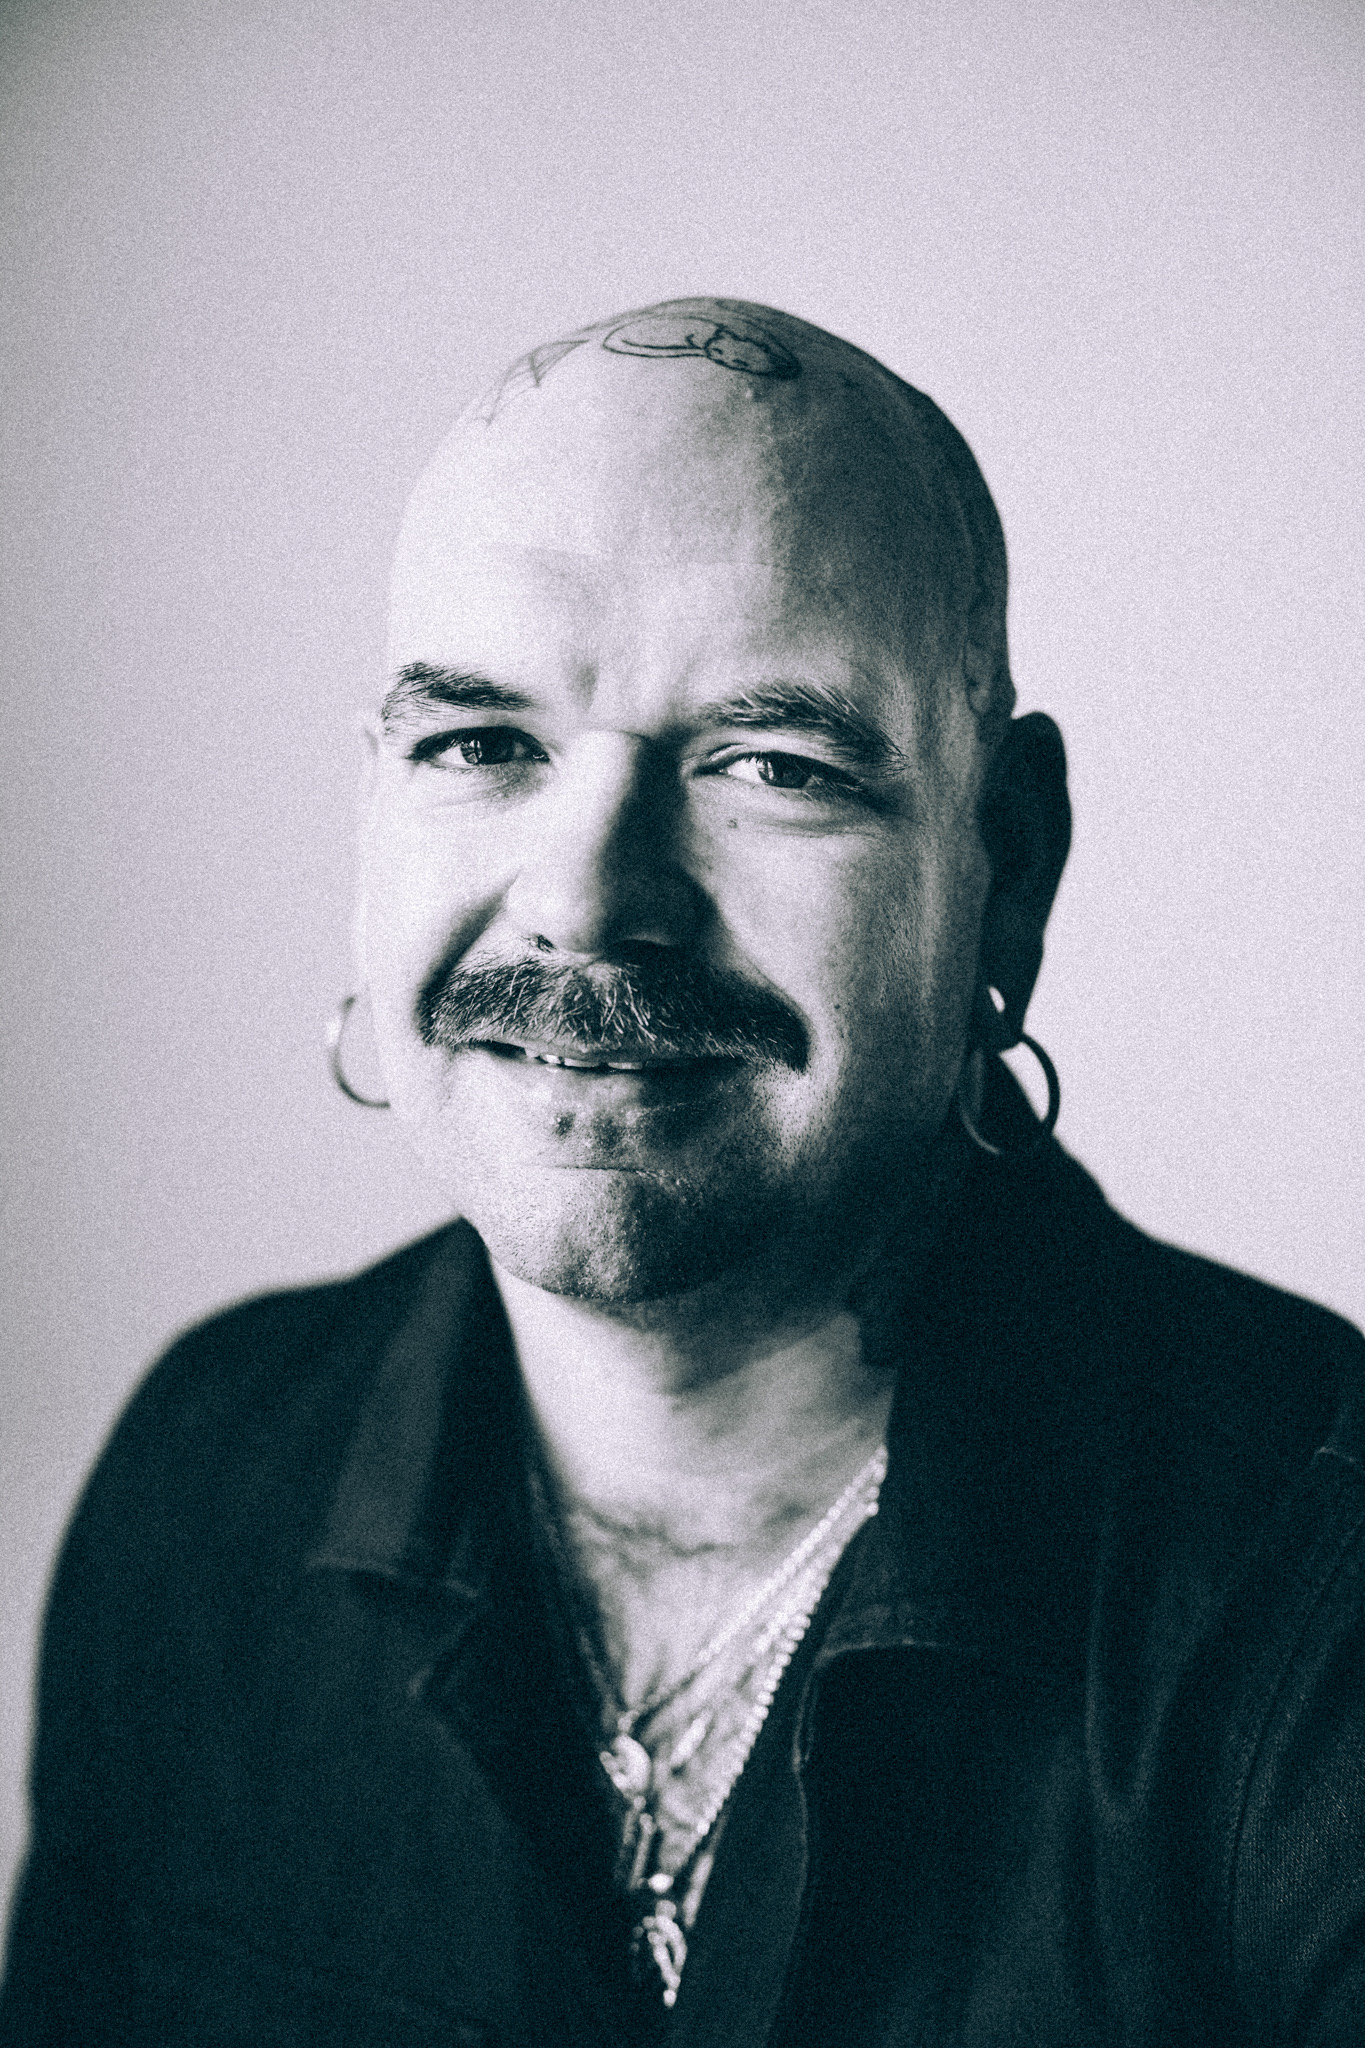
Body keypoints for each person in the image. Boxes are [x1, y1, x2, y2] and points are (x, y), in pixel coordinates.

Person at [3, 297, 1363, 2048]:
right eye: (478, 743)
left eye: (770, 765)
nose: (583, 898)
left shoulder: (1315, 1594)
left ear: (1005, 866)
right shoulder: (206, 1482)